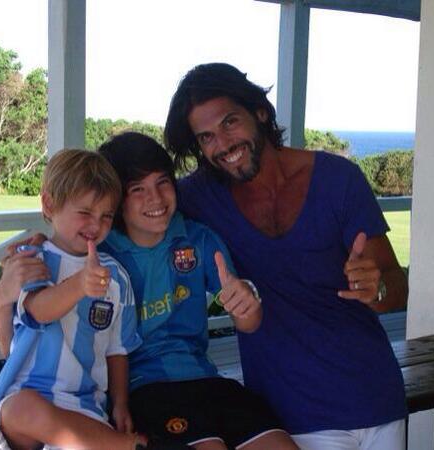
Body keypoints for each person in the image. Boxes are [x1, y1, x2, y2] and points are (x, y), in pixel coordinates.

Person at [0, 134, 299, 450]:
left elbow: (248, 321)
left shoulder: (193, 241)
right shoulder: (99, 252)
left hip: (202, 378)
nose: (155, 199)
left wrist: (247, 302)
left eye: (163, 182)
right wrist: (36, 253)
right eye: (137, 189)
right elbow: (63, 252)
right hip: (145, 388)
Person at [163, 63, 409, 450]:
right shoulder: (199, 197)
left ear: (260, 112)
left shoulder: (338, 179)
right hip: (293, 416)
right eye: (206, 137)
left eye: (230, 122)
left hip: (377, 398)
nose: (222, 144)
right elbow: (131, 205)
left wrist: (375, 288)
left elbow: (396, 285)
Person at [0, 149, 145, 450]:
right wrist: (80, 284)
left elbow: (117, 350)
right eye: (85, 213)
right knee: (21, 408)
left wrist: (120, 403)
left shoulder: (116, 277)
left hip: (83, 405)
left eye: (106, 216)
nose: (96, 225)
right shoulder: (31, 259)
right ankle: (128, 446)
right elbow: (38, 311)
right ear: (50, 204)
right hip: (27, 399)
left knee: (80, 435)